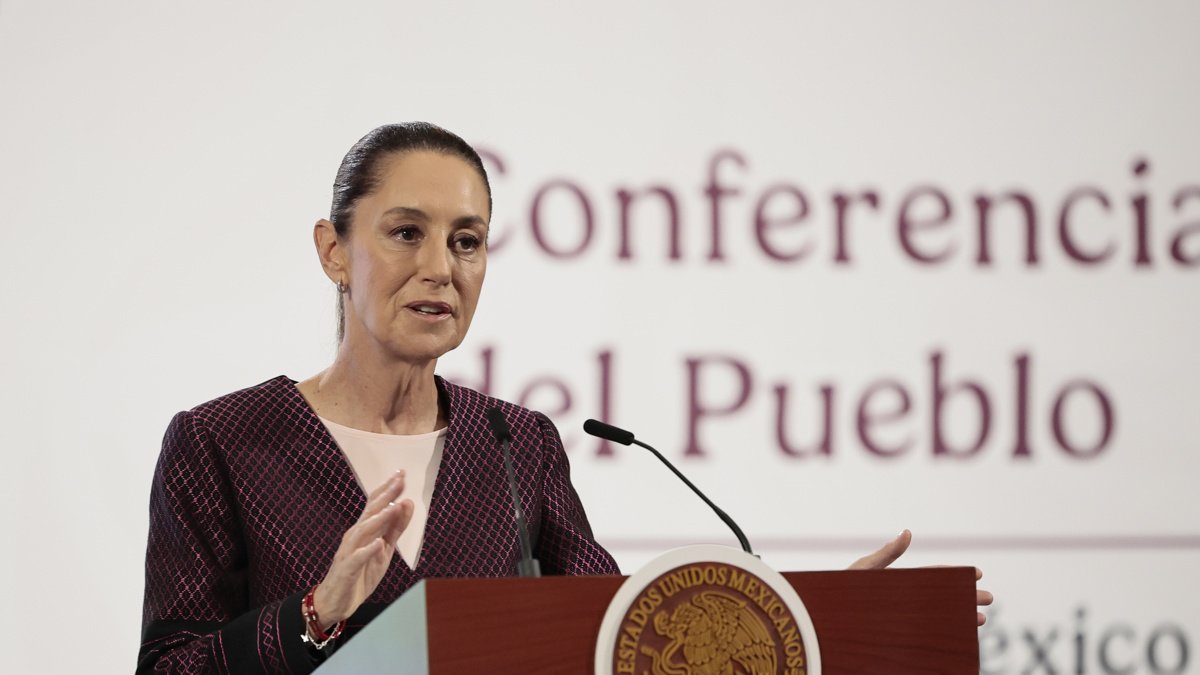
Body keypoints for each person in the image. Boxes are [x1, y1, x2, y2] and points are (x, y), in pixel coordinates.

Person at [138, 122, 990, 674]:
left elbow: (623, 644)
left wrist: (817, 627)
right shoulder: (223, 441)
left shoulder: (515, 445)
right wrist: (316, 615)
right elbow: (170, 669)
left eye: (467, 241)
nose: (442, 266)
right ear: (333, 250)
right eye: (407, 233)